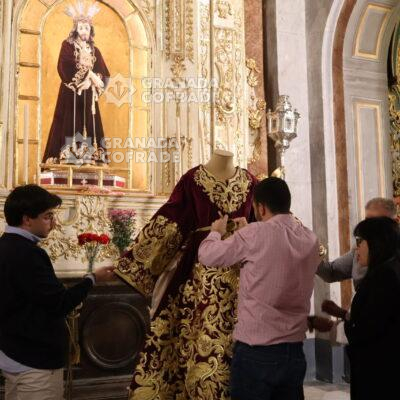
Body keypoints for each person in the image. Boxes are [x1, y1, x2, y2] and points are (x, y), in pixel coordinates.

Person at [198, 177, 321, 400]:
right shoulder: (310, 238)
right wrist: (247, 233)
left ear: (261, 208)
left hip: (256, 352)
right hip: (294, 350)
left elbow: (208, 255)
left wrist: (216, 231)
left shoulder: (254, 234)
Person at [0, 185, 115, 400]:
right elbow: (59, 303)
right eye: (47, 216)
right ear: (27, 219)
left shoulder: (5, 245)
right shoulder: (28, 254)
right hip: (35, 363)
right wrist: (92, 279)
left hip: (12, 354)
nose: (54, 223)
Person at [321, 217, 400, 400]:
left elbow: (368, 329)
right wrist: (343, 314)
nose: (356, 249)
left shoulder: (384, 277)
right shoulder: (388, 270)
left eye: (359, 242)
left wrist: (335, 328)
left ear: (376, 243)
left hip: (379, 373)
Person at [43, 1, 110, 164]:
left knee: (90, 124)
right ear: (75, 29)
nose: (84, 31)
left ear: (90, 30)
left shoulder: (95, 50)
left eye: (86, 28)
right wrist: (88, 76)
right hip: (71, 95)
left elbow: (104, 74)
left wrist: (93, 82)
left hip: (89, 97)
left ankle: (91, 157)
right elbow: (64, 66)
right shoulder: (67, 45)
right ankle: (68, 156)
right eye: (81, 28)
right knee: (70, 122)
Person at [317, 197, 397, 289]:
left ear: (393, 223)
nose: (369, 228)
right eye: (367, 221)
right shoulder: (360, 248)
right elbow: (331, 272)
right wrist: (312, 252)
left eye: (376, 223)